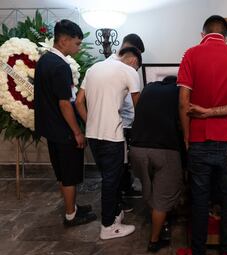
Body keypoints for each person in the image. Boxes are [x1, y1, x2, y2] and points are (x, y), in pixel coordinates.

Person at [176, 15, 227, 255]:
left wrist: (187, 135)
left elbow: (183, 102)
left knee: (199, 198)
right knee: (226, 197)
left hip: (199, 138)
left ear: (202, 34)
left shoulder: (192, 54)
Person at [34, 19, 97, 227]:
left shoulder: (44, 61)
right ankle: (71, 215)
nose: (79, 47)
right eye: (77, 43)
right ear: (63, 40)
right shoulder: (61, 66)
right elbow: (65, 104)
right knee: (69, 174)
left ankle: (73, 206)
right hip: (64, 130)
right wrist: (77, 132)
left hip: (50, 128)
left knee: (62, 172)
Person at [75, 47, 141, 240]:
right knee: (111, 181)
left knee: (107, 178)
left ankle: (113, 215)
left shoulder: (93, 69)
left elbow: (79, 102)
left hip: (93, 135)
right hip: (112, 135)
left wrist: (92, 122)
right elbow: (140, 106)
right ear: (133, 61)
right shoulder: (128, 71)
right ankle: (108, 226)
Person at [129, 75, 183, 253]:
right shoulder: (179, 92)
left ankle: (158, 215)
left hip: (136, 149)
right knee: (162, 197)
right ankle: (154, 239)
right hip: (164, 150)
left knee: (149, 187)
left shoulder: (149, 89)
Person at [110, 34, 146, 213]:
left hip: (128, 122)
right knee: (120, 164)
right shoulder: (117, 69)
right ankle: (120, 198)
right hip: (121, 124)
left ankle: (126, 189)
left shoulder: (123, 68)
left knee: (125, 162)